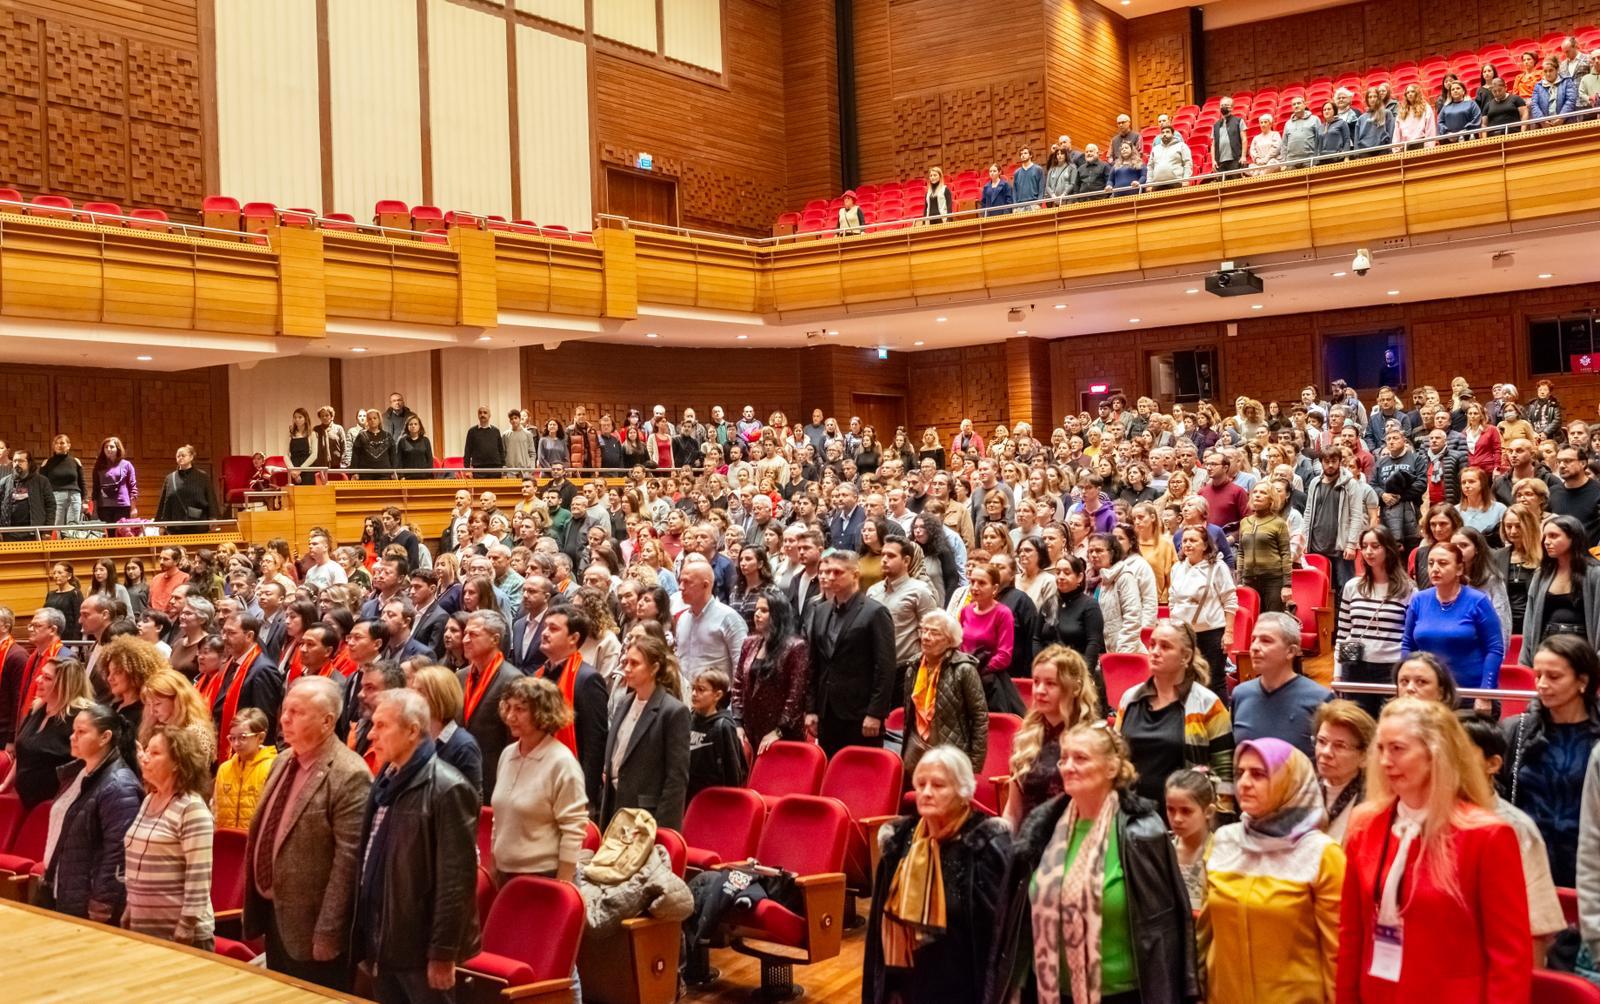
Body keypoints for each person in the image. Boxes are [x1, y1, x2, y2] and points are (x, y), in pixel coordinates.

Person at [1334, 698, 1531, 1003]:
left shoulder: (1487, 835)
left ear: (1435, 755)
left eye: (1397, 749)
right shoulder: (1365, 824)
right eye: (1381, 749)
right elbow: (1351, 934)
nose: (1385, 761)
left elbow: (1510, 957)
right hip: (1378, 992)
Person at [991, 724, 1199, 1004]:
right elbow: (1013, 922)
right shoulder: (1042, 827)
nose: (1068, 767)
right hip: (1049, 992)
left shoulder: (1144, 832)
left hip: (1124, 994)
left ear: (1112, 768)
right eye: (1065, 758)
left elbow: (1171, 927)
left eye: (1081, 758)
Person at [243, 675, 371, 989]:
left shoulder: (350, 774)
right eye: (285, 710)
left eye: (297, 712)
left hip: (314, 927)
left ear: (328, 721)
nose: (284, 719)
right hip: (275, 916)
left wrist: (329, 931)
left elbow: (348, 864)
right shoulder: (282, 760)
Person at [352, 689, 481, 1003]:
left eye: (382, 726)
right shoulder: (386, 777)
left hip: (419, 947)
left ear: (412, 731)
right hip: (383, 936)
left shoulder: (448, 787)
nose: (371, 735)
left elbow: (456, 882)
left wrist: (442, 952)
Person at [863, 746, 1011, 1004]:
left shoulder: (985, 846)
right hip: (907, 989)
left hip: (963, 990)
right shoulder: (899, 843)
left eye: (939, 785)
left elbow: (997, 944)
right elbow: (878, 937)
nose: (927, 792)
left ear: (964, 792)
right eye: (921, 784)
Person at [1203, 737, 1345, 1004]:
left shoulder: (1321, 854)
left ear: (1289, 782)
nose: (1244, 783)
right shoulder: (1222, 842)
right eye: (1240, 773)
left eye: (1258, 774)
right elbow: (1205, 937)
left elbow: (1337, 955)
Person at [1498, 633, 1600, 889]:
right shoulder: (1515, 730)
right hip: (1528, 864)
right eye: (1537, 676)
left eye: (1553, 677)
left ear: (1583, 682)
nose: (1541, 684)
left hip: (1589, 866)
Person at [1116, 620, 1236, 815]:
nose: (1154, 651)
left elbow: (1225, 772)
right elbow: (1116, 757)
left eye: (1165, 646)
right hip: (1131, 818)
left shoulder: (1207, 704)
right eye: (1152, 644)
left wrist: (1219, 823)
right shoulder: (1130, 699)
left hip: (1184, 824)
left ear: (1186, 656)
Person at [37, 703, 142, 923]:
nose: (72, 737)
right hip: (59, 886)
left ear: (105, 737)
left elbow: (118, 852)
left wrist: (102, 903)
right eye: (74, 731)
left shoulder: (120, 786)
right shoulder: (78, 773)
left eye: (81, 732)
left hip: (87, 903)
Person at [123, 724, 215, 948]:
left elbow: (199, 874)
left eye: (155, 753)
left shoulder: (191, 808)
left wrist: (186, 925)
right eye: (146, 750)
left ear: (177, 763)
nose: (144, 757)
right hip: (143, 927)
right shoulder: (148, 800)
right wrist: (130, 908)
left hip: (181, 935)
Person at [490, 675, 588, 884]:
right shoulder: (508, 754)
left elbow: (573, 828)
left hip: (544, 878)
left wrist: (563, 883)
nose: (510, 716)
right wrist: (492, 867)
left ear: (542, 714)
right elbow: (498, 821)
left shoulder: (562, 762)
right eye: (508, 707)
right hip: (505, 874)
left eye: (520, 709)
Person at [805, 550, 896, 756]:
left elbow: (885, 667)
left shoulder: (875, 612)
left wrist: (875, 713)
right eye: (826, 571)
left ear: (855, 575)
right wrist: (811, 709)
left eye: (837, 572)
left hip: (860, 713)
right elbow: (814, 663)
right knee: (830, 773)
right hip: (827, 711)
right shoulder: (820, 610)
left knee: (860, 775)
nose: (828, 576)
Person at [1003, 645, 1100, 831]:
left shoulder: (1093, 741)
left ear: (1075, 688)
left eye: (1050, 683)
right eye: (1036, 681)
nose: (1040, 690)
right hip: (1028, 846)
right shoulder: (1026, 738)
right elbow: (1013, 811)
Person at [601, 634, 690, 829]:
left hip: (645, 815)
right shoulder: (624, 702)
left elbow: (676, 780)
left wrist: (662, 829)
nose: (627, 668)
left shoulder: (673, 711)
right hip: (613, 805)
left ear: (655, 668)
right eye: (626, 662)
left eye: (635, 664)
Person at [1401, 542, 1504, 709]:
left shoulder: (1478, 601)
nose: (1435, 568)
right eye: (1431, 563)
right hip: (1428, 695)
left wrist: (1485, 693)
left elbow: (1494, 649)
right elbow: (1407, 645)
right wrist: (1408, 682)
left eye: (1443, 563)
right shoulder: (1419, 600)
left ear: (1459, 569)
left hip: (1470, 695)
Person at [1231, 612, 1333, 757]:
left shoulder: (1321, 699)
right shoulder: (1240, 694)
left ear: (1291, 651)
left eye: (1266, 641)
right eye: (1253, 639)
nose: (1254, 647)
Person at [901, 609, 987, 778]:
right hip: (915, 749)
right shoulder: (913, 666)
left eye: (934, 633)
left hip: (949, 752)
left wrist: (974, 765)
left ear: (950, 640)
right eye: (924, 630)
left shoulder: (964, 669)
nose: (925, 637)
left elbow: (980, 718)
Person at [3, 655, 94, 809]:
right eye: (41, 674)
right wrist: (5, 784)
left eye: (47, 678)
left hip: (55, 806)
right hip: (25, 801)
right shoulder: (38, 708)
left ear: (65, 684)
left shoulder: (80, 718)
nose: (38, 680)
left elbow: (86, 767)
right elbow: (23, 753)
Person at [731, 587, 809, 754]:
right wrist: (738, 723)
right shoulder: (749, 643)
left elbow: (795, 695)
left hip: (782, 733)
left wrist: (779, 730)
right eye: (757, 609)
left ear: (777, 614)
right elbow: (738, 683)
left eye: (764, 610)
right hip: (750, 727)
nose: (757, 614)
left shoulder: (795, 646)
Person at [1519, 514, 1600, 665]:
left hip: (1582, 650)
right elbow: (1530, 620)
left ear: (1573, 538)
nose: (1547, 542)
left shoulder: (1595, 574)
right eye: (1545, 537)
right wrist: (1525, 660)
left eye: (1554, 536)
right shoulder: (1541, 575)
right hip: (1546, 646)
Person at [1167, 524, 1238, 695]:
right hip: (1183, 635)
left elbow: (1229, 600)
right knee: (1184, 681)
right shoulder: (1177, 568)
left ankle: (1219, 721)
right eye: (1185, 541)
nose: (1187, 544)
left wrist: (1228, 633)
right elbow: (1172, 600)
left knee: (1213, 682)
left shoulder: (1217, 567)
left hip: (1211, 633)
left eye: (1193, 540)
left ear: (1205, 545)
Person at [457, 609, 522, 794]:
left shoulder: (513, 680)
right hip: (459, 771)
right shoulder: (460, 677)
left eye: (473, 634)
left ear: (495, 639)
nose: (465, 640)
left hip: (493, 776)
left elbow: (514, 739)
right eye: (465, 634)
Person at [411, 667, 483, 798]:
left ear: (440, 696)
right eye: (413, 690)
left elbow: (470, 802)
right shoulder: (414, 738)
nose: (412, 697)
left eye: (420, 691)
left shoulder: (464, 746)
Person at [1313, 700, 1376, 843]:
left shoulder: (1373, 802)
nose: (1326, 752)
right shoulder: (1300, 793)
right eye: (1321, 741)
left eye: (1340, 746)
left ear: (1364, 757)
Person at [212, 706, 277, 830]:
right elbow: (215, 809)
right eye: (232, 738)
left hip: (257, 843)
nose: (236, 743)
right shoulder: (224, 769)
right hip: (226, 842)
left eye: (243, 737)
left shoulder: (273, 767)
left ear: (260, 737)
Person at [687, 669, 746, 797]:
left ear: (717, 695)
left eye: (701, 690)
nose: (693, 694)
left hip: (713, 797)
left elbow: (733, 770)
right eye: (693, 688)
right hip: (688, 795)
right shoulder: (688, 719)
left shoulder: (723, 726)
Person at [1166, 769, 1216, 910]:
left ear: (1208, 812)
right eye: (1171, 809)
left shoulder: (1221, 852)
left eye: (1186, 811)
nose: (1177, 819)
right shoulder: (1162, 849)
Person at [154, 445, 219, 532]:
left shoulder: (203, 476)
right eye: (178, 456)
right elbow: (164, 502)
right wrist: (161, 524)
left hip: (198, 524)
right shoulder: (170, 478)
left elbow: (211, 498)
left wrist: (213, 518)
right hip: (175, 526)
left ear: (191, 457)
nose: (180, 458)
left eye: (183, 455)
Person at [0, 448, 56, 540]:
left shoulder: (42, 481)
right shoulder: (4, 482)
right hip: (9, 533)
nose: (17, 463)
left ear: (29, 463)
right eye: (15, 461)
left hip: (34, 533)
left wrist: (47, 531)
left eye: (21, 461)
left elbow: (51, 506)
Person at [90, 436, 138, 524]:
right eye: (106, 447)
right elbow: (95, 489)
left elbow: (133, 487)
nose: (109, 449)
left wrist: (133, 508)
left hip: (122, 506)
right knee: (108, 535)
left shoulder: (127, 465)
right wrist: (94, 510)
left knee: (122, 534)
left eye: (112, 447)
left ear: (118, 448)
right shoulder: (99, 466)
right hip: (104, 507)